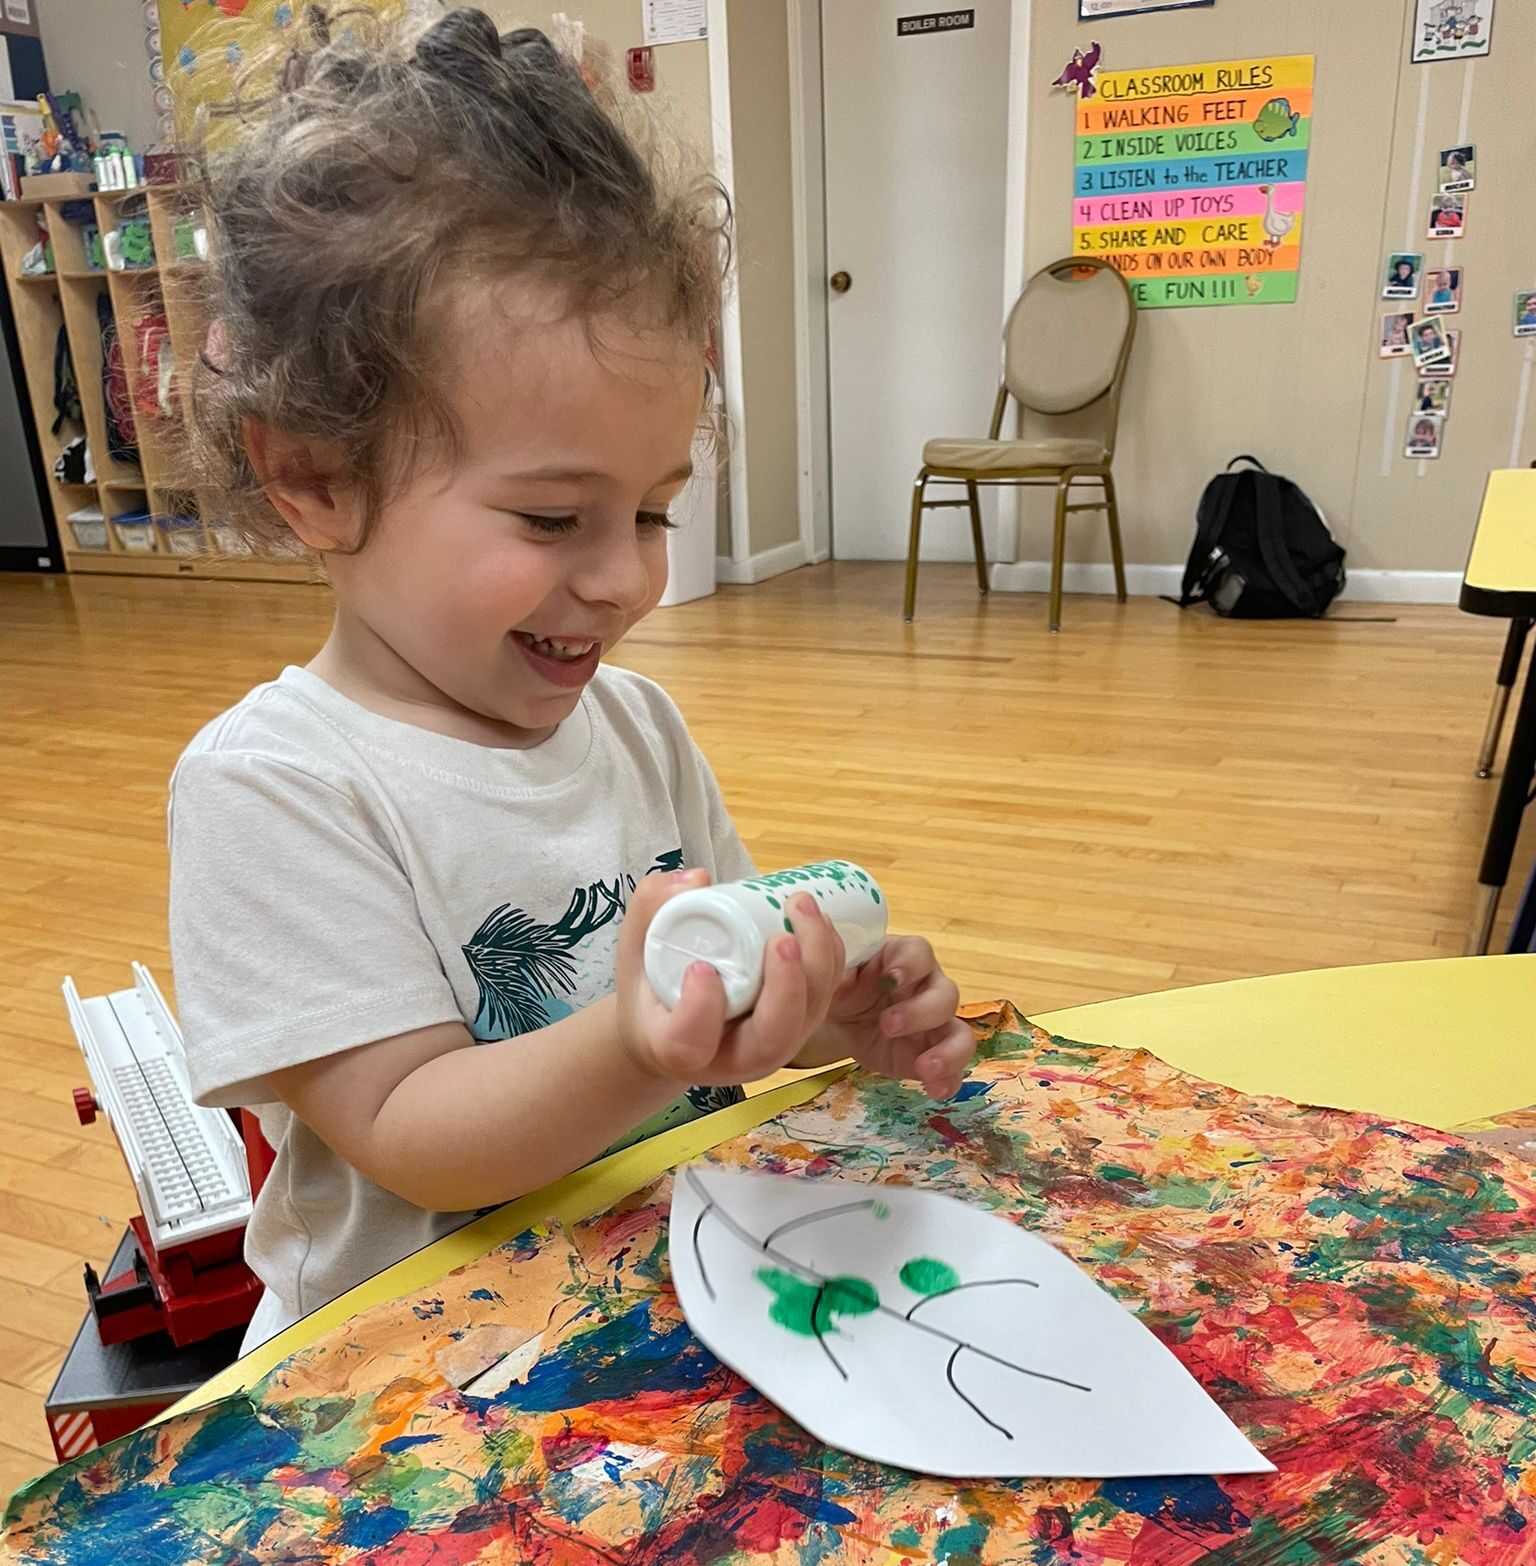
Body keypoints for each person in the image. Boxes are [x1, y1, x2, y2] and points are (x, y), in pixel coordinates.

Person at [168, 6, 976, 1351]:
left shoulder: (637, 727)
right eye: (554, 519)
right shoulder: (278, 786)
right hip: (406, 1390)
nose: (622, 578)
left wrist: (823, 1022)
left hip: (664, 1305)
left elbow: (708, 1013)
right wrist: (635, 1046)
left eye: (654, 512)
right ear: (313, 475)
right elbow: (411, 1133)